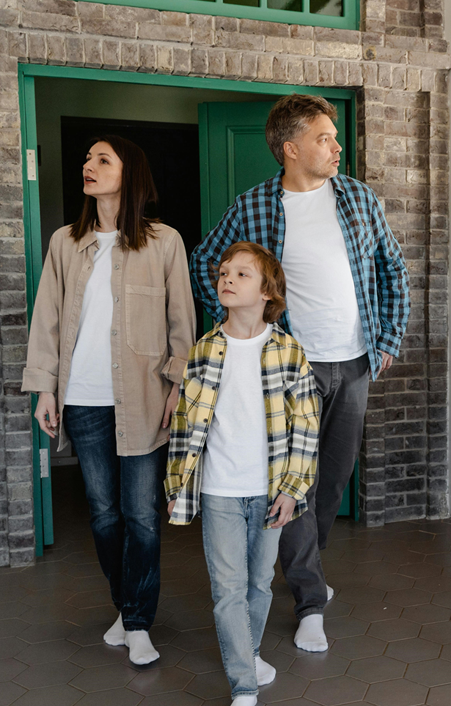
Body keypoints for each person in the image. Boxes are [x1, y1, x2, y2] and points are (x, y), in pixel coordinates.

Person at [190, 93, 409, 651]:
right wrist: (240, 329)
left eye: (335, 137)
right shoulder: (254, 205)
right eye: (324, 138)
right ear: (290, 148)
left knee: (331, 479)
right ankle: (310, 598)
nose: (337, 146)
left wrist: (386, 339)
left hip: (354, 361)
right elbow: (204, 264)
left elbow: (391, 268)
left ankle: (305, 566)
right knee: (293, 483)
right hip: (289, 370)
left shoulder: (358, 198)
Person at [22, 135, 197, 666]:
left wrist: (177, 387)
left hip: (143, 398)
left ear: (130, 173)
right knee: (102, 516)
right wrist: (44, 388)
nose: (88, 166)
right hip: (83, 399)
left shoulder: (164, 242)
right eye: (87, 159)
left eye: (103, 160)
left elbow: (182, 325)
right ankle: (126, 604)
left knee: (141, 515)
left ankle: (138, 621)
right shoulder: (64, 244)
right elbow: (46, 320)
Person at [165, 242, 320, 706]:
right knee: (228, 589)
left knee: (257, 583)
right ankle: (243, 686)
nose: (227, 279)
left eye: (242, 274)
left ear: (268, 293)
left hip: (270, 490)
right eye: (224, 273)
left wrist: (292, 490)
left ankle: (248, 654)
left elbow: (307, 430)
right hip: (219, 490)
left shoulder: (290, 353)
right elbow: (185, 426)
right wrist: (177, 486)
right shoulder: (205, 350)